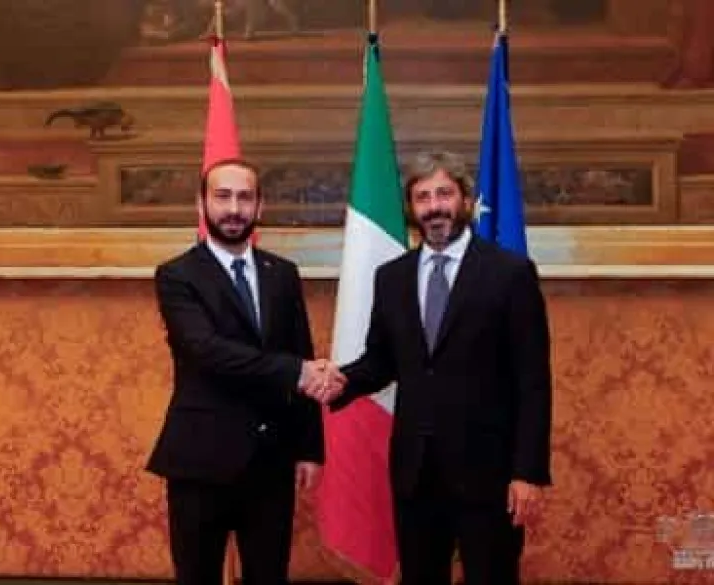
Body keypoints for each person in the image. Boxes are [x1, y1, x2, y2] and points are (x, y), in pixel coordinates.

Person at [308, 151, 552, 585]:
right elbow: (381, 361)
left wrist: (528, 472)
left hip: (489, 474)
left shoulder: (509, 273)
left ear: (465, 200)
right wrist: (341, 380)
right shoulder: (392, 277)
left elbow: (532, 382)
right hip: (416, 473)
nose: (434, 207)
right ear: (411, 208)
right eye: (423, 197)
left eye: (444, 194)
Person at [147, 158, 342, 585]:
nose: (234, 209)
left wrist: (309, 447)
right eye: (223, 196)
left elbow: (301, 353)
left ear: (260, 206)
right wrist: (297, 371)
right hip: (200, 459)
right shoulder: (177, 276)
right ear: (201, 204)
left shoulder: (282, 274)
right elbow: (206, 350)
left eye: (245, 197)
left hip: (270, 461)